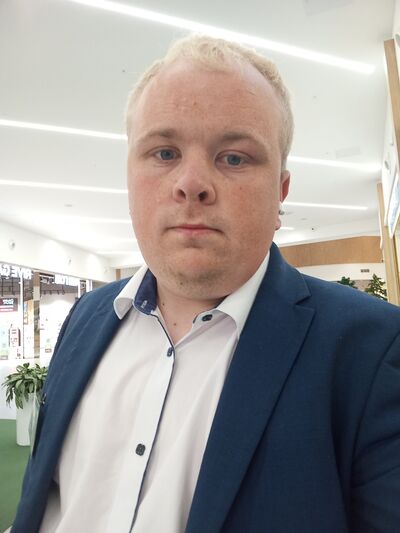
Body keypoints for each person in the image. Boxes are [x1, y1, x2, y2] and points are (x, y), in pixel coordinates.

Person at [11, 35, 400, 533]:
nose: (191, 183)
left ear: (280, 192)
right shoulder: (86, 317)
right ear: (130, 178)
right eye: (164, 152)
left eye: (234, 158)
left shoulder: (371, 350)